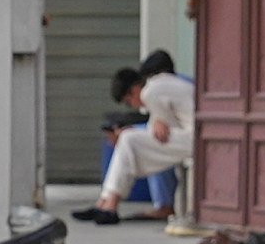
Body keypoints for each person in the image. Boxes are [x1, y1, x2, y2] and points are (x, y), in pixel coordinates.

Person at [75, 52, 195, 223]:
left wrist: (153, 124)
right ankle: (106, 202)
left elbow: (161, 132)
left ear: (134, 90)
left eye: (128, 101)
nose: (133, 106)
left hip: (194, 139)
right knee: (129, 139)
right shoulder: (174, 83)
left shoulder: (151, 91)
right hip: (192, 137)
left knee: (129, 139)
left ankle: (108, 203)